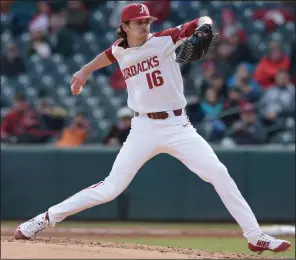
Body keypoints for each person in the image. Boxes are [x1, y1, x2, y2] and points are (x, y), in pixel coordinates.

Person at [14, 3, 291, 254]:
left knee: (218, 173)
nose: (145, 26)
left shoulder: (164, 39)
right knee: (110, 189)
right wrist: (85, 70)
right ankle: (44, 219)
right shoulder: (121, 49)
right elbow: (108, 55)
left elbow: (202, 18)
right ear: (125, 27)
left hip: (178, 126)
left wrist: (205, 27)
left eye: (147, 21)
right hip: (143, 127)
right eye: (139, 22)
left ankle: (255, 235)